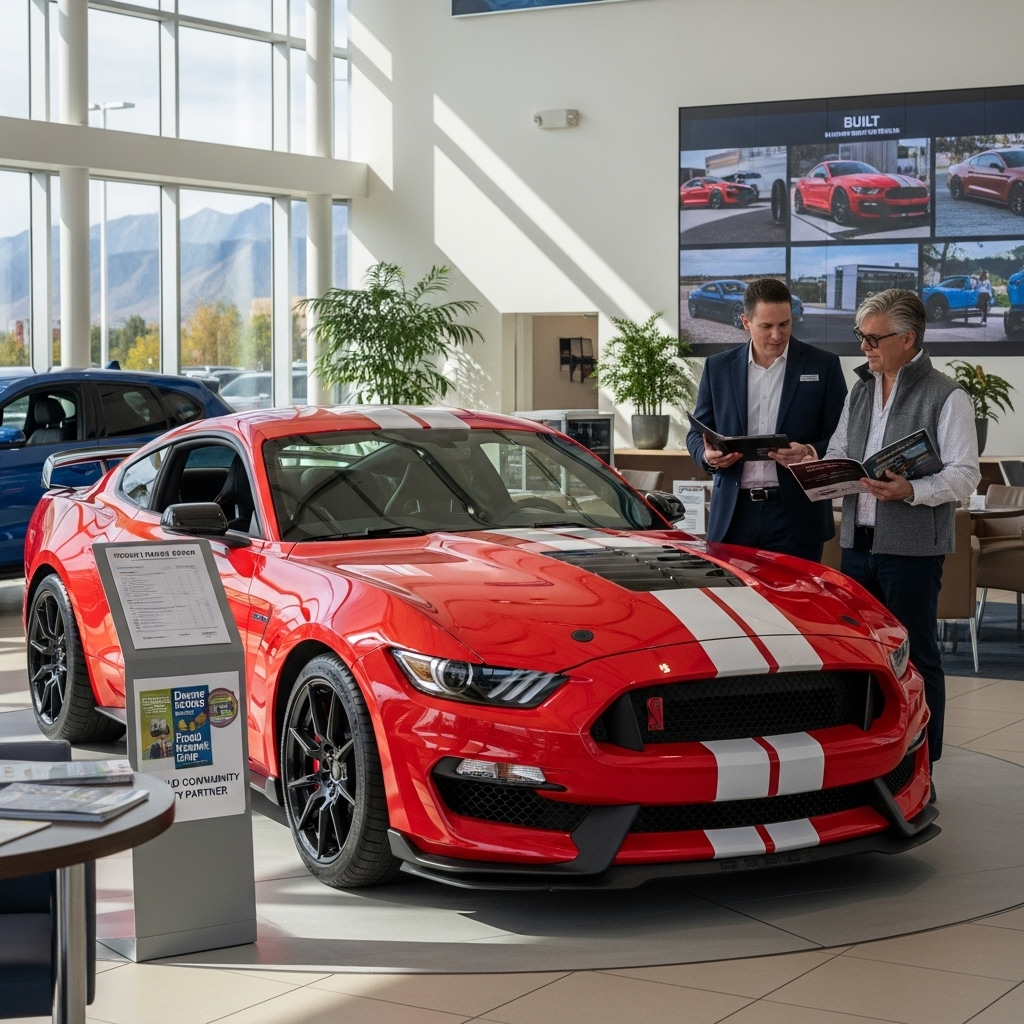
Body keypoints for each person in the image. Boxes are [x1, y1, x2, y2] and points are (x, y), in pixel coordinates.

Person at [823, 289, 980, 790]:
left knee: (916, 656)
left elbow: (965, 476)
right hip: (858, 544)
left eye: (874, 338)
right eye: (861, 338)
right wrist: (822, 467)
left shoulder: (947, 395)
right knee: (862, 659)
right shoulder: (862, 391)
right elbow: (839, 450)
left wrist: (912, 488)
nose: (864, 348)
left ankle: (923, 768)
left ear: (907, 338)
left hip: (912, 549)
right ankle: (870, 761)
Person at [685, 278, 847, 561]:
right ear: (746, 321)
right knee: (736, 605)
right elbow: (695, 434)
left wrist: (809, 452)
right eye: (766, 326)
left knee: (797, 604)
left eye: (784, 324)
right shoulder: (717, 368)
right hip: (733, 517)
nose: (777, 335)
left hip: (797, 516)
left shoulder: (824, 365)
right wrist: (708, 456)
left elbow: (843, 436)